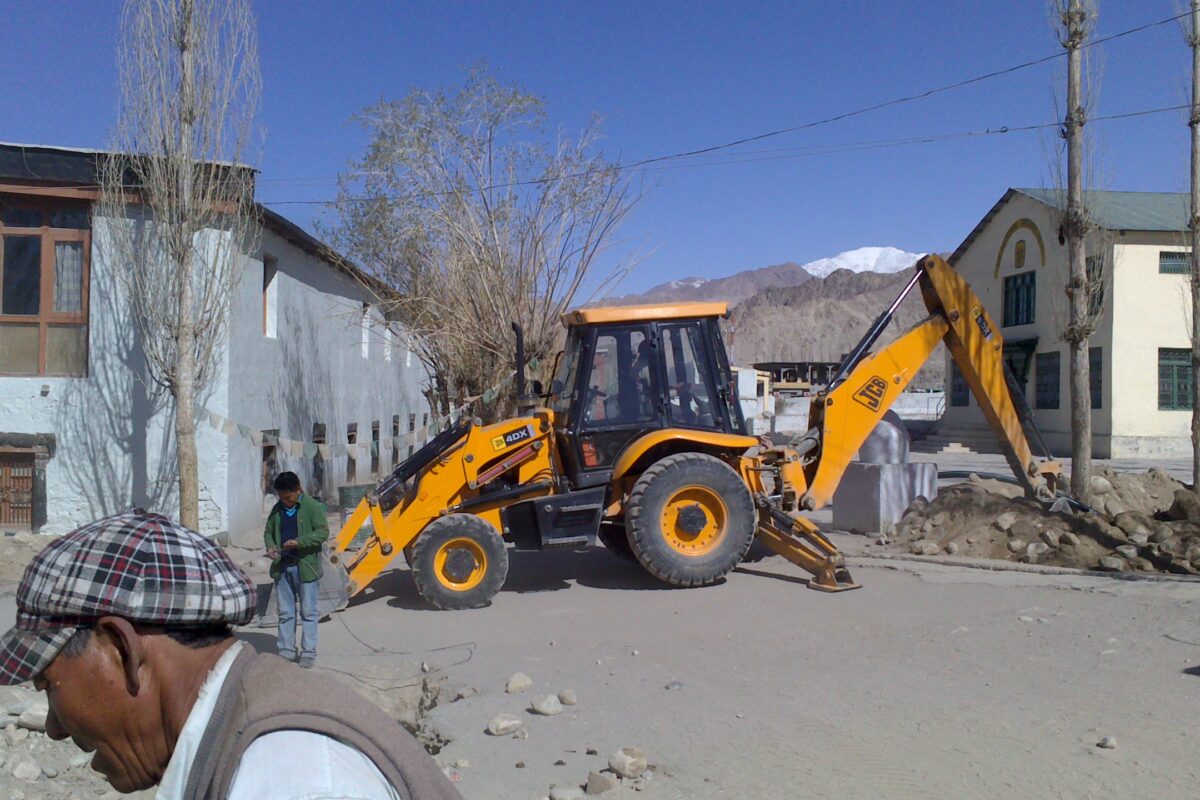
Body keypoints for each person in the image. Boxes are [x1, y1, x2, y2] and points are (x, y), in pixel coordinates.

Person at [0, 510, 462, 799]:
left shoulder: (293, 780)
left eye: (48, 685)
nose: (54, 728)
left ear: (120, 648)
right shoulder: (248, 723)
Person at [264, 470, 328, 668]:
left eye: (288, 497)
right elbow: (268, 533)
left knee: (308, 612)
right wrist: (271, 546)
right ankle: (286, 651)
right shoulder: (277, 510)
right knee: (285, 612)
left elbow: (323, 532)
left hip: (306, 569)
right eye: (281, 498)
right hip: (283, 568)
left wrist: (300, 542)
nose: (285, 501)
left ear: (298, 490)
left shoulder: (312, 507)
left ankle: (308, 652)